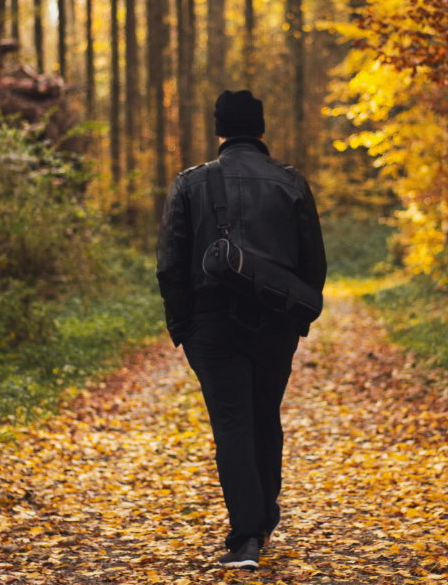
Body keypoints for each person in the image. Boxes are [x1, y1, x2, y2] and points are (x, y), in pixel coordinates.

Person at [156, 90, 327, 570]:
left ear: (219, 130)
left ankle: (247, 536)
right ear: (262, 129)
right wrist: (296, 317)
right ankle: (262, 518)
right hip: (275, 320)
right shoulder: (291, 184)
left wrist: (183, 328)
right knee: (264, 417)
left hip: (210, 323)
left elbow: (169, 263)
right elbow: (313, 262)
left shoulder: (190, 184)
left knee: (232, 425)